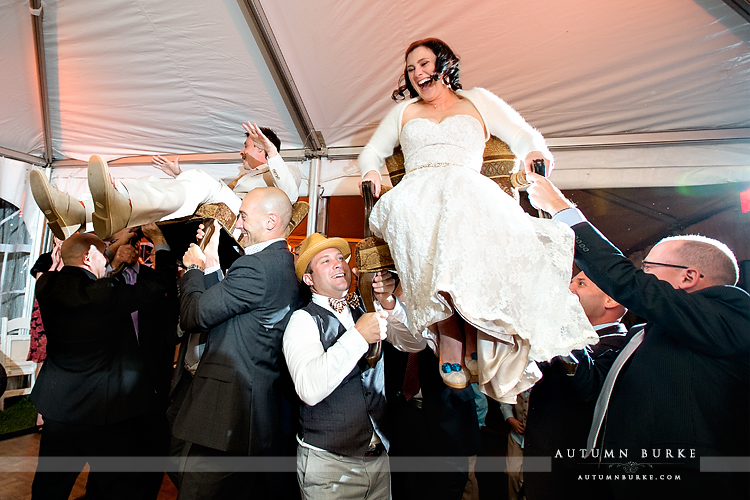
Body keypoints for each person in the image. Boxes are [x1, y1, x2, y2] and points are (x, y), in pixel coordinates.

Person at [358, 37, 595, 398]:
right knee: (432, 215)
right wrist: (371, 171)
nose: (417, 73)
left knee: (476, 216)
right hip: (417, 191)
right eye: (410, 69)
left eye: (423, 64)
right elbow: (371, 152)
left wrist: (532, 151)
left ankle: (480, 328)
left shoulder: (478, 100)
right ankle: (451, 332)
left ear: (444, 64)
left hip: (468, 186)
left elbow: (522, 134)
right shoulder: (402, 112)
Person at [526, 172, 750, 498]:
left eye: (648, 268)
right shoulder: (646, 336)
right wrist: (560, 323)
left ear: (689, 277)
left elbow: (626, 282)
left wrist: (561, 209)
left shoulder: (731, 312)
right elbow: (589, 385)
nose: (640, 276)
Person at [171, 187, 299, 500]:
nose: (238, 226)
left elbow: (195, 315)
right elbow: (226, 314)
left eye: (243, 217)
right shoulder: (280, 263)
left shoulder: (255, 266)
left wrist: (193, 269)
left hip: (227, 412)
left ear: (270, 221)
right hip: (250, 412)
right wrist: (213, 262)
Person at [30, 227, 177, 500]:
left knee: (49, 488)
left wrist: (102, 250)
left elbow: (77, 264)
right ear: (88, 258)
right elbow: (160, 284)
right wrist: (158, 241)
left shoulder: (46, 285)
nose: (107, 260)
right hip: (102, 414)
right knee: (115, 489)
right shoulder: (106, 293)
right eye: (102, 255)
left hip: (58, 410)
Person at [283, 233, 425, 500]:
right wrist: (358, 336)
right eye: (325, 261)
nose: (338, 264)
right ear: (309, 279)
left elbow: (413, 344)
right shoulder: (303, 321)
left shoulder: (365, 308)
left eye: (340, 258)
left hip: (379, 461)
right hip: (329, 467)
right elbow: (309, 388)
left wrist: (389, 304)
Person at [29, 123, 302, 240]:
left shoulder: (286, 173)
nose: (241, 151)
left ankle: (118, 205)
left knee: (202, 180)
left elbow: (288, 196)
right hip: (230, 211)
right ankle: (77, 212)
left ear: (261, 150)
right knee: (159, 181)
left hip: (247, 225)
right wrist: (177, 176)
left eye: (246, 146)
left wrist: (274, 153)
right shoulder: (242, 178)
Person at [523, 272, 628, 500]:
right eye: (570, 281)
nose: (569, 289)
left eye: (581, 283)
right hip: (542, 462)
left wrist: (566, 325)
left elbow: (586, 387)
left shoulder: (621, 345)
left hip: (572, 477)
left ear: (611, 300)